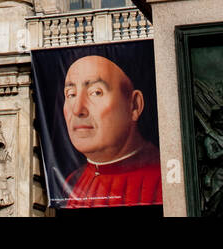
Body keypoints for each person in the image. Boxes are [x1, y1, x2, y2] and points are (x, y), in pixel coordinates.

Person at [61, 54, 161, 206]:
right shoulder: (72, 182)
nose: (77, 109)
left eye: (96, 92)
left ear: (134, 105)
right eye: (71, 95)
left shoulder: (164, 177)